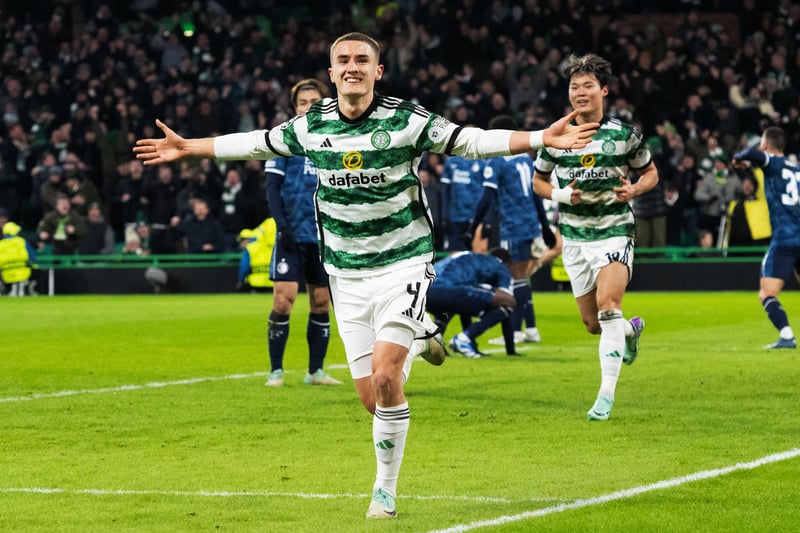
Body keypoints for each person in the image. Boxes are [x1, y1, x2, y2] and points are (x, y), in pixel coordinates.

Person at [134, 32, 597, 518]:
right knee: (372, 401)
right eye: (342, 60)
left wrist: (541, 137)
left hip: (404, 264)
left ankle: (384, 491)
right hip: (346, 276)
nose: (351, 66)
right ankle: (422, 335)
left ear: (377, 71)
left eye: (361, 59)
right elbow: (254, 143)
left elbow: (470, 141)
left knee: (385, 379)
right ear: (332, 73)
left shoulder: (406, 120)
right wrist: (190, 147)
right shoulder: (311, 126)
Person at [532, 53, 658, 421]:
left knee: (608, 305)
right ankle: (630, 333)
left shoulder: (624, 135)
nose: (580, 92)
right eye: (575, 87)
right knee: (593, 324)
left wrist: (634, 190)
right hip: (574, 238)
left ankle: (605, 395)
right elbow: (538, 181)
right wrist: (559, 195)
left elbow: (651, 173)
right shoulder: (555, 137)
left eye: (588, 85)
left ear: (603, 90)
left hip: (614, 231)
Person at [263, 78, 341, 387]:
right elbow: (271, 187)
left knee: (321, 303)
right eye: (302, 103)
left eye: (314, 102)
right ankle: (276, 371)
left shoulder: (336, 141)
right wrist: (283, 225)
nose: (308, 107)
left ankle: (315, 372)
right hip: (292, 235)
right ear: (295, 108)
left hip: (324, 237)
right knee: (284, 300)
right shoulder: (284, 139)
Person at [476, 115, 556, 349]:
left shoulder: (499, 161)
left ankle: (515, 330)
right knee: (522, 278)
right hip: (530, 224)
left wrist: (475, 227)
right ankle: (530, 329)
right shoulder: (526, 160)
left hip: (513, 226)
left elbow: (486, 199)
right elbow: (537, 195)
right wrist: (544, 227)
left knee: (514, 279)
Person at [732, 126, 800, 349]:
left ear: (766, 144)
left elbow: (750, 155)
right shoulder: (796, 168)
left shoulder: (772, 161)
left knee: (767, 292)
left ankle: (787, 336)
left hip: (785, 238)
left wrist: (738, 159)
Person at [427, 248, 516, 358]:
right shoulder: (500, 266)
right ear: (508, 263)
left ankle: (436, 338)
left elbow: (465, 309)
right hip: (450, 290)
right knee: (508, 301)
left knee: (456, 302)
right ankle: (463, 340)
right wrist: (511, 350)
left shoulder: (470, 257)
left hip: (425, 292)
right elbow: (507, 299)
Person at [438, 153, 485, 253]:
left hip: (475, 219)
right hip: (455, 218)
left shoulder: (482, 163)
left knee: (477, 254)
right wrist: (444, 217)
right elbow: (445, 192)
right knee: (455, 256)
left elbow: (485, 194)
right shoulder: (451, 162)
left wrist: (483, 218)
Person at [0, 221, 36, 296]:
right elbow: (32, 257)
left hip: (6, 275)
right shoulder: (22, 242)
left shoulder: (1, 244)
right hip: (23, 273)